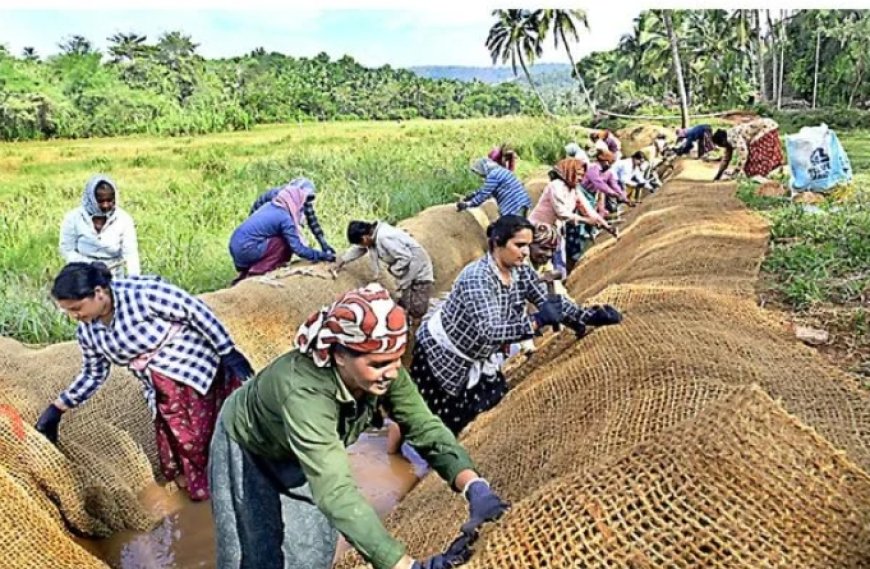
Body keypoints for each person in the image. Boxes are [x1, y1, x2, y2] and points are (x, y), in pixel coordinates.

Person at [209, 283, 509, 569]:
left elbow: (424, 427)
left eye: (396, 361)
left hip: (304, 448)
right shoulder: (305, 393)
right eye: (378, 365)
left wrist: (474, 486)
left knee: (311, 549)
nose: (390, 373)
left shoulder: (385, 368)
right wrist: (405, 564)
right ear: (339, 355)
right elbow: (337, 492)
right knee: (254, 549)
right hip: (250, 444)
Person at [34, 262, 254, 501]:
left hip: (191, 366)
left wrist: (228, 351)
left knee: (196, 434)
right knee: (181, 435)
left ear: (98, 292)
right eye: (68, 312)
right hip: (158, 385)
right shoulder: (88, 331)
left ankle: (221, 482)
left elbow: (195, 311)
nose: (75, 316)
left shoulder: (142, 293)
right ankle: (202, 483)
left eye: (77, 308)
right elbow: (93, 374)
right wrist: (58, 407)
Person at [411, 215, 617, 436]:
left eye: (528, 245)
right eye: (519, 245)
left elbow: (547, 302)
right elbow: (489, 331)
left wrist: (584, 316)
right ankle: (404, 457)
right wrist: (537, 321)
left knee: (487, 409)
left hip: (478, 356)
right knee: (431, 421)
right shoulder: (477, 279)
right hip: (443, 355)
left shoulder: (521, 271)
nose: (526, 252)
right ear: (497, 243)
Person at [229, 178, 335, 283]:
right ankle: (257, 272)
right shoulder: (284, 215)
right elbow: (298, 249)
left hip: (236, 246)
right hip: (247, 248)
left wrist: (323, 243)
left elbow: (312, 220)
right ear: (298, 196)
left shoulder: (278, 202)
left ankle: (247, 271)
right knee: (284, 243)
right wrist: (321, 256)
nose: (306, 203)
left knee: (283, 236)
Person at [335, 220, 435, 321]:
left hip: (419, 269)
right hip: (407, 271)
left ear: (364, 238)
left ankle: (415, 330)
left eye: (361, 243)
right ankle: (404, 326)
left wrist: (393, 269)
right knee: (404, 305)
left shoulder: (384, 237)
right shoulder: (372, 236)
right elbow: (359, 249)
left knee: (417, 309)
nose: (363, 246)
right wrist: (342, 260)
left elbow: (405, 257)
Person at [59, 174, 140, 278]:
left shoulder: (124, 219)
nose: (106, 205)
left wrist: (134, 279)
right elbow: (67, 249)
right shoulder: (73, 218)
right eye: (100, 201)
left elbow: (130, 253)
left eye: (110, 200)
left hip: (113, 274)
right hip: (82, 273)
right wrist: (90, 265)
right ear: (91, 198)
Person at [712, 118, 784, 181]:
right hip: (769, 125)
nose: (723, 147)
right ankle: (761, 175)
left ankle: (760, 175)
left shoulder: (731, 137)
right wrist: (718, 176)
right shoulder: (727, 139)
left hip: (767, 127)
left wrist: (736, 171)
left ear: (723, 141)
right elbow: (726, 159)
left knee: (755, 153)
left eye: (720, 145)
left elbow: (744, 153)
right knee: (753, 154)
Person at [457, 158, 532, 218]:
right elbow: (484, 190)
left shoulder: (493, 175)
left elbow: (484, 194)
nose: (480, 175)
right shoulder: (499, 171)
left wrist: (468, 204)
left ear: (482, 169)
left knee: (515, 231)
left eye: (478, 172)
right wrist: (471, 196)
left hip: (514, 205)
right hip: (521, 202)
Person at [581, 149, 632, 217]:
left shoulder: (608, 173)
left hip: (593, 194)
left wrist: (625, 198)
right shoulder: (593, 168)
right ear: (603, 161)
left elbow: (615, 186)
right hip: (583, 192)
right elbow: (600, 185)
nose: (610, 165)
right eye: (609, 162)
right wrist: (615, 195)